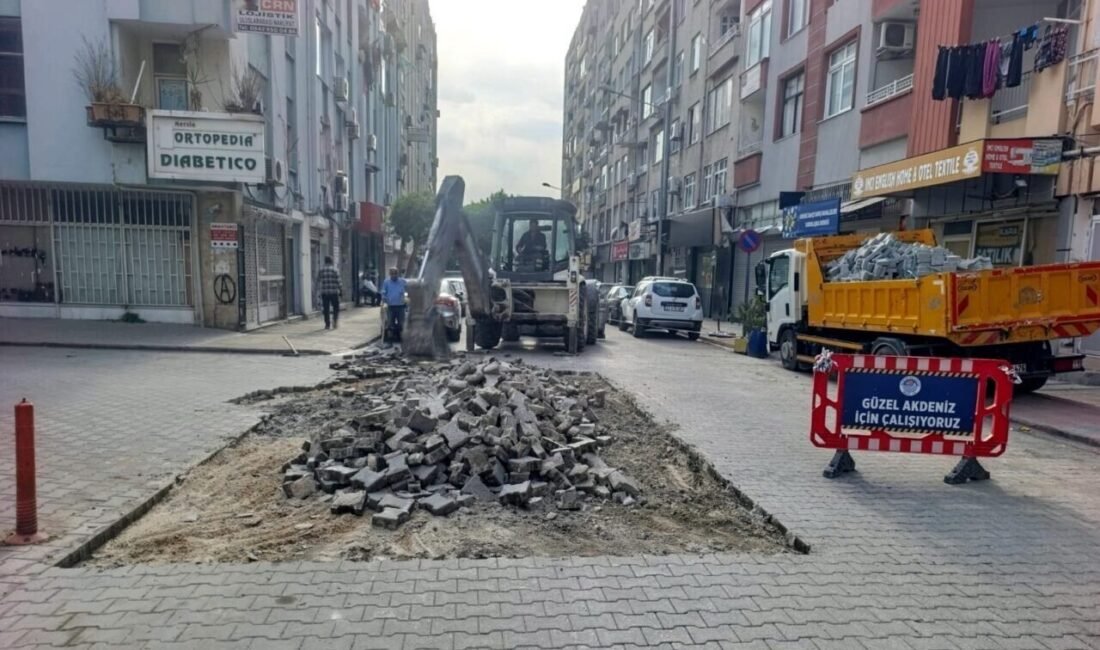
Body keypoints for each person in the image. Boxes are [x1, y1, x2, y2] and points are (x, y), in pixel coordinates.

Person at [316, 256, 343, 330]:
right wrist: (341, 290)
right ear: (331, 261)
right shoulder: (335, 270)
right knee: (336, 308)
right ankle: (335, 322)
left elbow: (318, 281)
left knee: (326, 309)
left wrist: (318, 291)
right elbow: (339, 282)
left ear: (325, 262)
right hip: (334, 292)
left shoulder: (321, 270)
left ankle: (327, 324)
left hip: (324, 292)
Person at [381, 267, 407, 341]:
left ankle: (402, 338)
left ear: (397, 274)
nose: (394, 275)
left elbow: (408, 289)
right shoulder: (386, 282)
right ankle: (390, 339)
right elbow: (383, 292)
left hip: (400, 306)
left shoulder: (402, 281)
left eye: (395, 273)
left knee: (401, 323)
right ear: (390, 274)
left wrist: (406, 298)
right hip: (390, 306)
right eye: (392, 274)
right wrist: (384, 299)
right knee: (389, 323)